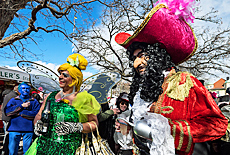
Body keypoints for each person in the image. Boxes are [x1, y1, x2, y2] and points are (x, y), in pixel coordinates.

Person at [114, 0, 228, 154]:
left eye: (141, 56)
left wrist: (167, 129)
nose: (136, 64)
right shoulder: (142, 91)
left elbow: (218, 124)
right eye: (134, 59)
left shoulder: (185, 82)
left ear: (156, 55)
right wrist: (131, 127)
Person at [25, 53, 101, 155]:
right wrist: (37, 123)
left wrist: (77, 127)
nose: (60, 77)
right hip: (44, 146)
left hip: (70, 149)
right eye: (60, 74)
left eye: (64, 75)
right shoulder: (50, 96)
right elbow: (39, 115)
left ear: (74, 79)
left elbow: (94, 124)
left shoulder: (85, 99)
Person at [5, 82, 40, 155]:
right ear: (19, 90)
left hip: (28, 129)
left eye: (27, 88)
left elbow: (37, 114)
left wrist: (21, 113)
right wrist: (21, 106)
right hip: (14, 129)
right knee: (12, 151)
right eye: (23, 88)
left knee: (27, 152)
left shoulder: (34, 101)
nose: (25, 90)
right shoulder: (13, 100)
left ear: (30, 90)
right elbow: (7, 112)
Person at [1, 85, 19, 155]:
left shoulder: (9, 95)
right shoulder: (14, 96)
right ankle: (6, 150)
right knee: (8, 135)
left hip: (5, 117)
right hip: (9, 118)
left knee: (7, 134)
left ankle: (5, 150)